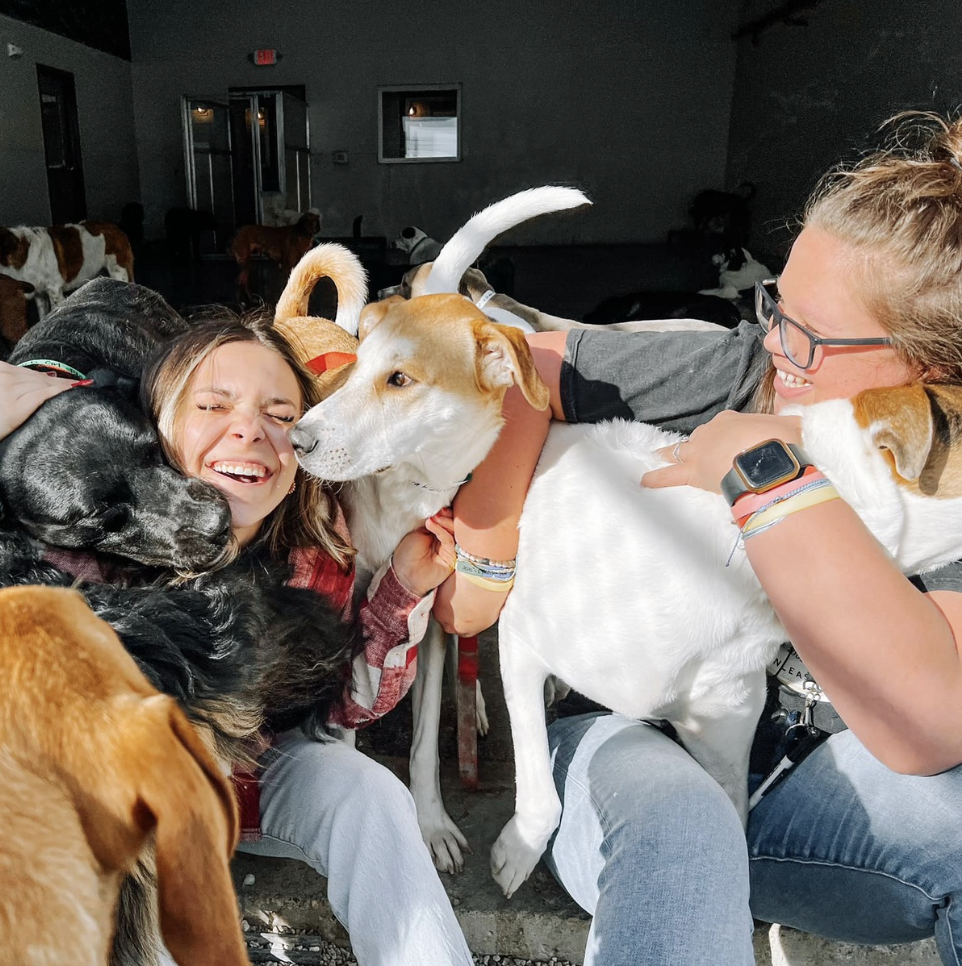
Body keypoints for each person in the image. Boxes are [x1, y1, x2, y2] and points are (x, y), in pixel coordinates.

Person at [433, 110, 962, 965]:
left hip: (806, 782)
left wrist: (767, 476)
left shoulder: (947, 475)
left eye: (806, 335)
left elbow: (926, 731)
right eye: (772, 309)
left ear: (929, 378)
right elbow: (524, 366)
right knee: (684, 831)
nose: (776, 350)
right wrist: (488, 557)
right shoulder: (749, 365)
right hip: (620, 722)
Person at [0, 313, 474, 966]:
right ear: (160, 421)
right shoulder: (93, 518)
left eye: (281, 413)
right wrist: (41, 393)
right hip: (132, 790)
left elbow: (347, 707)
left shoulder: (317, 547)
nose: (250, 428)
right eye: (213, 406)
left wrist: (401, 589)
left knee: (370, 796)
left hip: (259, 771)